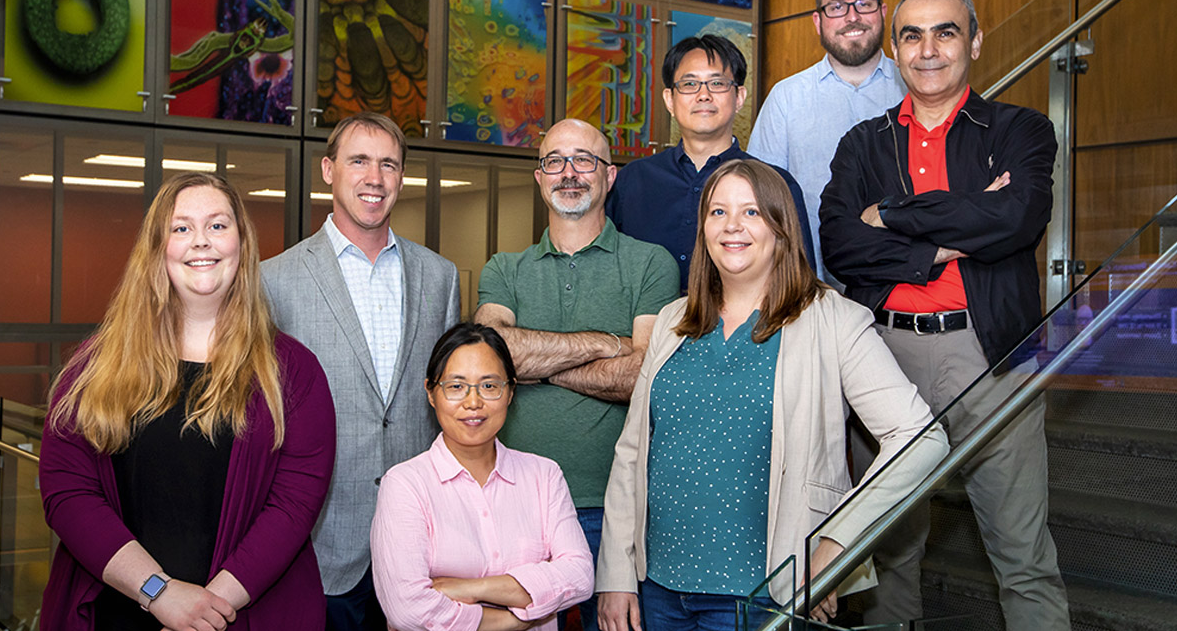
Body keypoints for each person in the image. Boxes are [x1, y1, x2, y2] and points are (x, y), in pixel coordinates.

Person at [597, 159, 949, 631]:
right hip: (657, 590)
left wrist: (836, 546)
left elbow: (920, 438)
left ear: (782, 226)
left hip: (766, 596)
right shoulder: (672, 320)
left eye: (752, 212)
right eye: (718, 212)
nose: (732, 227)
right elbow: (632, 453)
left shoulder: (833, 320)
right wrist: (616, 574)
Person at [819, 0, 1071, 629]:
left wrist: (894, 216)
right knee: (888, 551)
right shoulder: (861, 145)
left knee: (1022, 554)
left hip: (991, 357)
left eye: (947, 31)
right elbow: (842, 244)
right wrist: (946, 243)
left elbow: (1018, 218)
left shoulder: (1022, 129)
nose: (928, 49)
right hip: (882, 357)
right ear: (895, 50)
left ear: (975, 41)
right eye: (912, 34)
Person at [39, 173, 336, 631]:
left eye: (218, 226)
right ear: (157, 248)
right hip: (119, 610)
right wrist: (159, 594)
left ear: (243, 243)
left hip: (244, 613)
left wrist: (206, 610)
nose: (201, 241)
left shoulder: (295, 373)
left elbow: (294, 505)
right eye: (181, 228)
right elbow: (67, 492)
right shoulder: (95, 367)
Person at [474, 119, 679, 631]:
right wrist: (601, 344)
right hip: (512, 503)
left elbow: (640, 377)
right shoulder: (504, 268)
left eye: (584, 160)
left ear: (609, 177)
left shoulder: (649, 264)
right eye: (555, 161)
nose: (570, 173)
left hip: (611, 507)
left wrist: (534, 366)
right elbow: (490, 359)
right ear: (539, 177)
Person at [262, 112, 462, 631]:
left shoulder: (440, 277)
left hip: (423, 542)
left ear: (401, 177)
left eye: (388, 165)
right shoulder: (273, 281)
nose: (375, 178)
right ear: (328, 169)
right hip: (319, 544)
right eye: (359, 161)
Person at [370, 323, 595, 631]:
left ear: (510, 391)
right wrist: (516, 619)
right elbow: (407, 610)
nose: (473, 402)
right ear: (431, 392)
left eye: (489, 386)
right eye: (456, 386)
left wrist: (469, 589)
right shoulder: (406, 484)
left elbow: (580, 577)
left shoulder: (544, 475)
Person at [607, 34, 815, 290]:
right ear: (669, 100)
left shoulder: (776, 183)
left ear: (739, 97)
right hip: (643, 327)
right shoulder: (631, 180)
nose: (703, 95)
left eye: (717, 83)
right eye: (690, 84)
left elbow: (799, 281)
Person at [747, 0, 905, 285]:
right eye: (837, 7)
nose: (852, 17)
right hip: (812, 293)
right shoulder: (786, 99)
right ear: (818, 22)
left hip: (907, 289)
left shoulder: (916, 90)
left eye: (864, 3)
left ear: (883, 11)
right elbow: (761, 204)